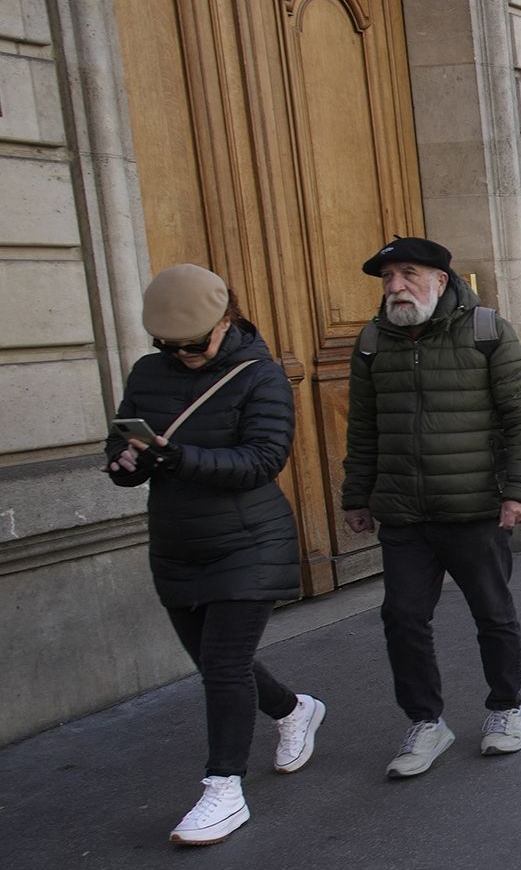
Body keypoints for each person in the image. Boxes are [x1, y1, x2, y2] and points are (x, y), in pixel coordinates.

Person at [105, 264, 323, 845]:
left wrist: (179, 459)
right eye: (169, 345)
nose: (184, 354)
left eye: (196, 343)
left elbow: (262, 460)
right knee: (214, 661)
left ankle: (224, 789)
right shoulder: (148, 372)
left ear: (225, 320)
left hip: (249, 541)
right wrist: (127, 463)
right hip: (177, 543)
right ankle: (294, 711)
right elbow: (122, 445)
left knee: (224, 666)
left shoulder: (262, 376)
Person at [343, 237, 521, 779]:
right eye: (387, 278)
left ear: (440, 278)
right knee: (403, 618)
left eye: (408, 274)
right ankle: (426, 722)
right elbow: (364, 430)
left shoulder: (485, 330)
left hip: (474, 507)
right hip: (405, 514)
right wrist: (357, 497)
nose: (396, 287)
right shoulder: (371, 342)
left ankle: (506, 709)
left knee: (493, 613)